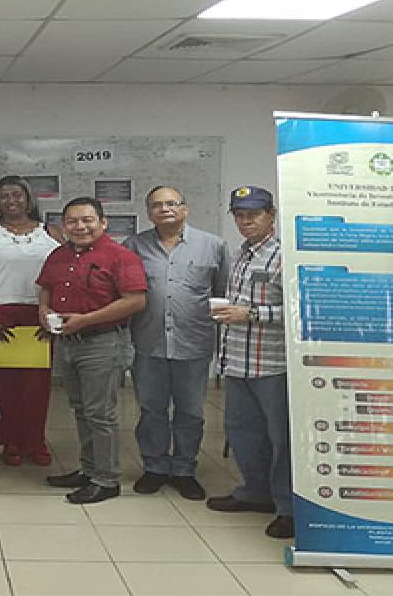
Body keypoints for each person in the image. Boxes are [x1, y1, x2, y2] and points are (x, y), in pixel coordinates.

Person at [37, 197, 147, 504]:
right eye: (72, 221)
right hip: (67, 343)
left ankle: (107, 479)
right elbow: (46, 289)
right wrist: (43, 311)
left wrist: (85, 320)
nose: (80, 226)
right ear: (64, 225)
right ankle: (88, 470)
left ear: (103, 222)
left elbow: (135, 300)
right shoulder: (58, 255)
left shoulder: (120, 256)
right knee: (81, 409)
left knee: (101, 414)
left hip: (103, 342)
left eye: (87, 220)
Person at [124, 186, 229, 501]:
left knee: (190, 411)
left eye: (172, 203)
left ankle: (184, 469)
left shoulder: (214, 246)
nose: (165, 209)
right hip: (148, 342)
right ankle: (154, 466)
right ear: (149, 212)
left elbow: (222, 295)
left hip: (194, 342)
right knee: (151, 409)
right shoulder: (134, 246)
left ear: (185, 209)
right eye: (157, 205)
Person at [207, 185, 293, 540]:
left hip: (273, 366)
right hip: (238, 363)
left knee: (281, 440)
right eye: (240, 215)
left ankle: (288, 508)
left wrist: (251, 313)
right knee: (244, 434)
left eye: (253, 214)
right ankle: (255, 493)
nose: (246, 221)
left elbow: (300, 311)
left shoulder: (286, 255)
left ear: (271, 215)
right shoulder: (242, 254)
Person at [0, 176, 61, 465]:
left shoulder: (51, 233)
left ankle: (35, 441)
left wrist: (53, 318)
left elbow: (64, 276)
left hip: (40, 318)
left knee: (37, 386)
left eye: (18, 195)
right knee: (5, 387)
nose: (12, 201)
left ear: (29, 199)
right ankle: (11, 443)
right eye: (4, 196)